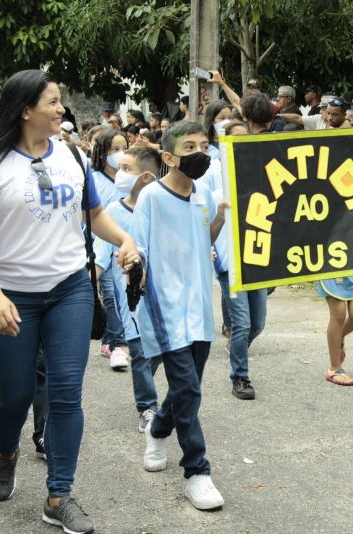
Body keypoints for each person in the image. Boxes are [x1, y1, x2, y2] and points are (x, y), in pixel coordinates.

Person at [0, 69, 139, 533]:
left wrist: (123, 240)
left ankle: (59, 495)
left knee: (64, 393)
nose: (62, 110)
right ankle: (6, 451)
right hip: (13, 296)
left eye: (60, 101)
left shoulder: (72, 157)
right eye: (53, 102)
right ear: (25, 109)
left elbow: (93, 213)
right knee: (15, 397)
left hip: (69, 289)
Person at [132, 120, 227, 510]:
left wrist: (220, 216)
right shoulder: (152, 197)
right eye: (189, 147)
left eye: (204, 145)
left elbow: (203, 239)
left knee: (187, 388)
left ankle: (157, 428)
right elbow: (138, 247)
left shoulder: (203, 193)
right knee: (187, 387)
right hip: (165, 305)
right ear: (169, 157)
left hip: (198, 305)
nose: (199, 153)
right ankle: (197, 471)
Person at [95, 146, 162, 430]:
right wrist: (88, 285)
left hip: (163, 296)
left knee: (158, 352)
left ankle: (150, 388)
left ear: (146, 177)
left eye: (126, 169)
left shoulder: (162, 207)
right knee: (140, 350)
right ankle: (147, 406)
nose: (119, 174)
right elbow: (100, 252)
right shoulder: (113, 210)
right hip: (130, 299)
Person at [207, 120, 267, 400]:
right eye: (236, 139)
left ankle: (237, 344)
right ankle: (240, 376)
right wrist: (219, 218)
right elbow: (206, 233)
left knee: (257, 325)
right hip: (231, 267)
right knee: (242, 323)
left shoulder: (264, 186)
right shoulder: (217, 191)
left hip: (259, 263)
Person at [90, 128, 131, 370]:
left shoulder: (128, 179)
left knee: (121, 293)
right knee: (110, 294)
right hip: (98, 248)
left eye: (123, 147)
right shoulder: (93, 179)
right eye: (114, 149)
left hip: (123, 245)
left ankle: (113, 340)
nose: (120, 153)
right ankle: (115, 344)